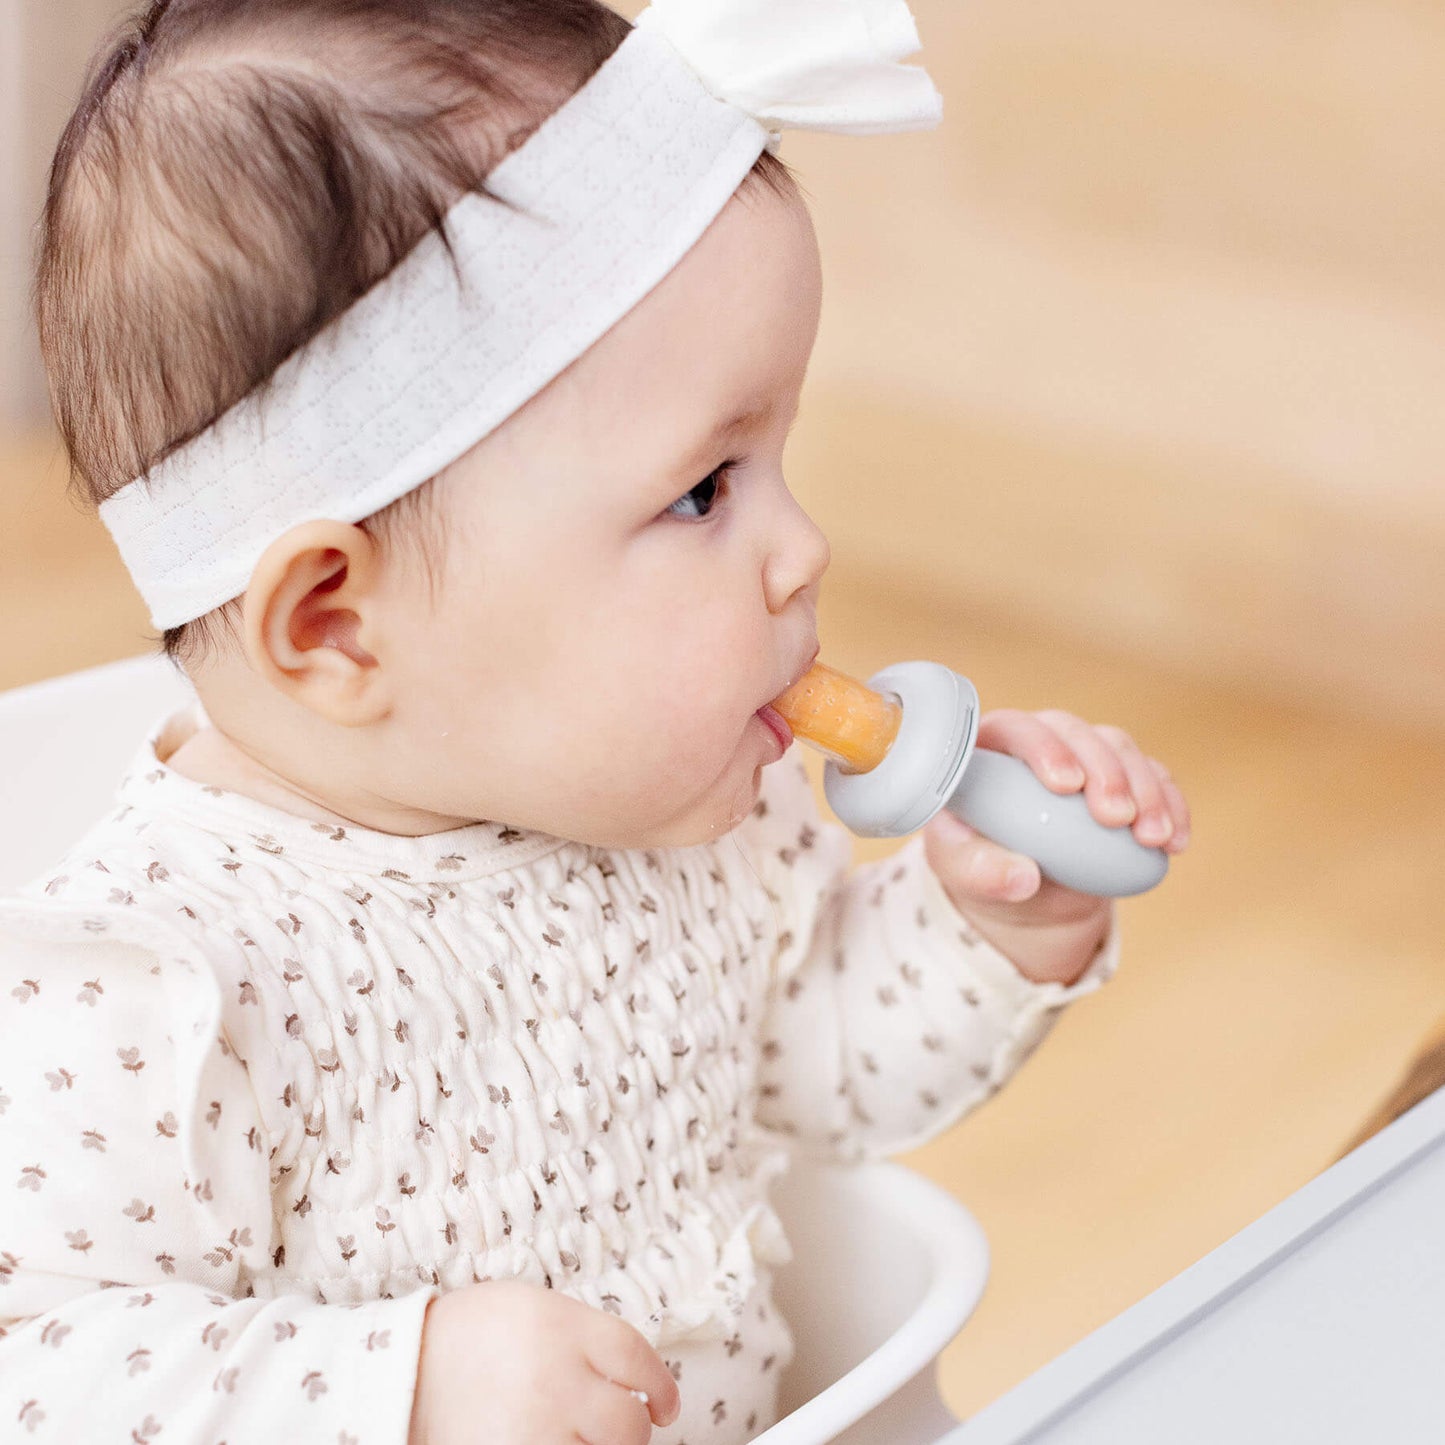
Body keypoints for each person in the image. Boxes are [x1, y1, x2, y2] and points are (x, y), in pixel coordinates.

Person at [0, 0, 1192, 1440]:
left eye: (772, 460)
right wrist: (407, 1385)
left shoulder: (687, 799)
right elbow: (43, 1369)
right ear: (332, 623)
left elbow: (813, 1064)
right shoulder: (157, 988)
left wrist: (990, 923)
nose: (800, 548)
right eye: (701, 491)